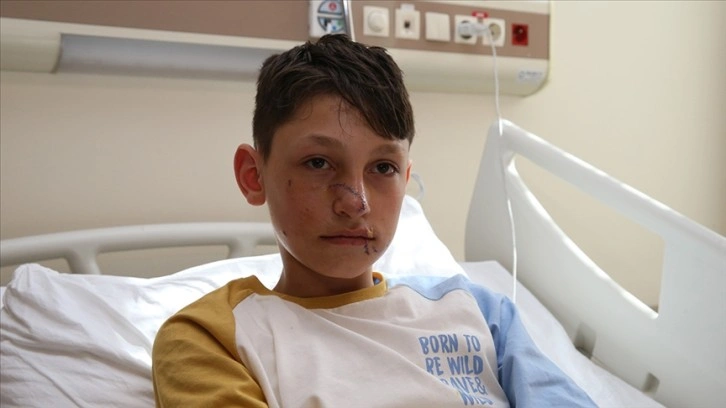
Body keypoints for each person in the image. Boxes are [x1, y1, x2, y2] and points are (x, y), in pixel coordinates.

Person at [152, 34, 596, 407]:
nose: (356, 202)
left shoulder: (480, 313)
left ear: (405, 179)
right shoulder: (217, 337)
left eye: (383, 167)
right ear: (254, 176)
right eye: (318, 162)